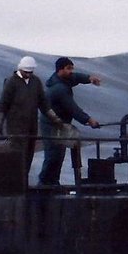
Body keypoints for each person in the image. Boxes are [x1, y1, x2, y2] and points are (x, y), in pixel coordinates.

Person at [0, 56, 62, 184]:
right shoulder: (11, 82)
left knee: (29, 155)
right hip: (16, 128)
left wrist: (55, 119)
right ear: (20, 69)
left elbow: (43, 103)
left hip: (31, 127)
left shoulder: (36, 82)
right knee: (18, 156)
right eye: (26, 72)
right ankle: (15, 185)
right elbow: (3, 104)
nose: (28, 74)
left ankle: (23, 184)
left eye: (30, 72)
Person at [38, 57, 102, 187]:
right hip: (51, 125)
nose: (71, 71)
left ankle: (53, 182)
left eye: (72, 68)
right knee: (52, 155)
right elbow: (72, 108)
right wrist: (89, 120)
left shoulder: (63, 80)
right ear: (60, 70)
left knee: (59, 154)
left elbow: (76, 77)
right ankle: (44, 183)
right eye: (68, 68)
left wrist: (89, 78)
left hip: (60, 124)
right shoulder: (59, 88)